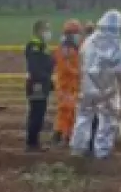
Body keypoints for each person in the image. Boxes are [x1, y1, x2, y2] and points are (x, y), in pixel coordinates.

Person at [71, 10, 121, 159]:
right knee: (107, 119)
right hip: (107, 88)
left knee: (84, 117)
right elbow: (120, 70)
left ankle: (78, 148)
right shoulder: (117, 44)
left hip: (88, 86)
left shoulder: (89, 40)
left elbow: (80, 59)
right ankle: (102, 151)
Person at [52, 19, 84, 147]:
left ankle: (61, 136)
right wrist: (80, 73)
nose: (79, 36)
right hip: (65, 87)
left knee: (67, 112)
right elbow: (66, 68)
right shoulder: (65, 50)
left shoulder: (73, 48)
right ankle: (63, 137)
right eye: (77, 33)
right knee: (68, 112)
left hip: (71, 86)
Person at [24, 20, 55, 152]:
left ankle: (34, 142)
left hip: (42, 83)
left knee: (39, 113)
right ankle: (32, 144)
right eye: (46, 29)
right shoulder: (34, 46)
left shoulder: (42, 46)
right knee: (36, 113)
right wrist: (46, 79)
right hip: (37, 85)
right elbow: (35, 68)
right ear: (38, 31)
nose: (48, 32)